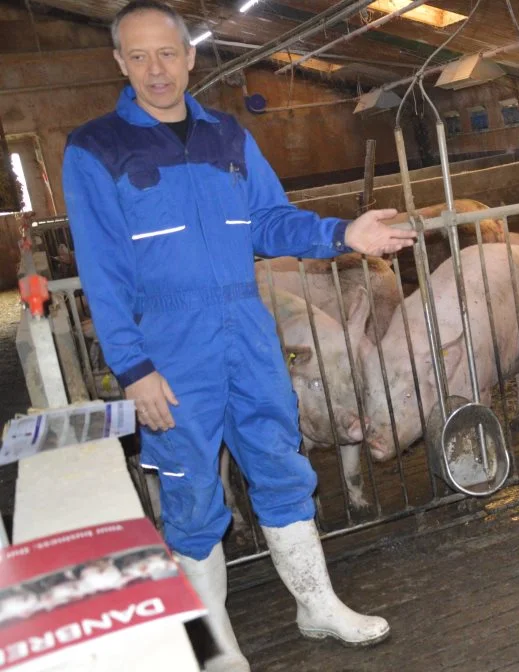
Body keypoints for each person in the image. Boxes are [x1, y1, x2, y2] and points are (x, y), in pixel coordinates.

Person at [61, 2, 416, 669]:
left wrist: (344, 233)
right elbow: (101, 270)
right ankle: (211, 645)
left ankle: (318, 604)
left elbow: (271, 223)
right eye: (137, 56)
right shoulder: (94, 148)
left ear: (191, 55)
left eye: (167, 53)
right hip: (168, 347)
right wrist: (133, 367)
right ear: (118, 63)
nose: (155, 69)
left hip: (248, 333)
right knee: (189, 493)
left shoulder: (228, 136)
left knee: (282, 469)